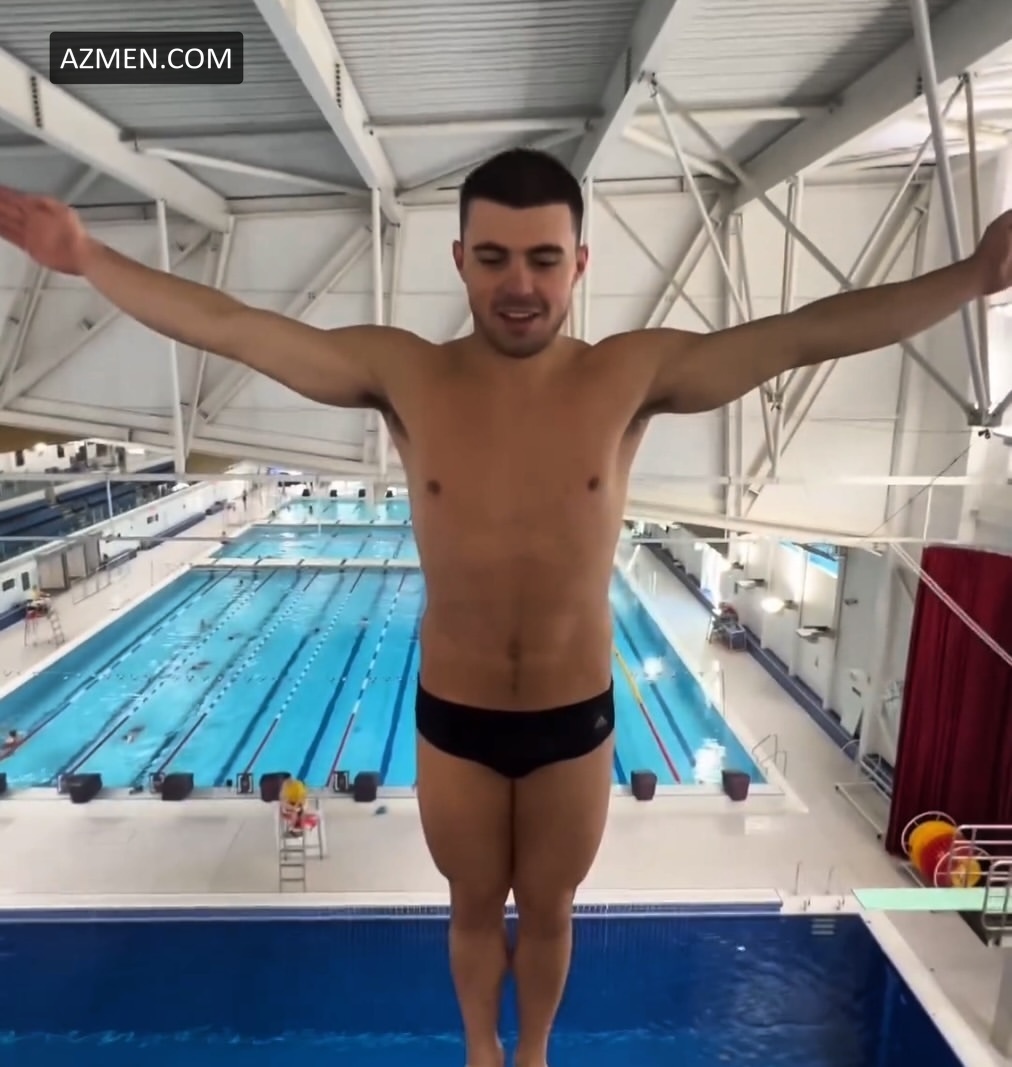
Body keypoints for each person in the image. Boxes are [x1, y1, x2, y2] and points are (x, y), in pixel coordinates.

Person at [1, 151, 1009, 1065]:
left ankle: (532, 1055)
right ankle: (483, 1053)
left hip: (575, 718)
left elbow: (802, 334)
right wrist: (87, 257)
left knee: (553, 908)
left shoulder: (627, 373)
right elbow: (237, 329)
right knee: (473, 905)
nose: (518, 284)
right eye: (492, 258)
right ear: (460, 260)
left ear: (579, 263)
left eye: (542, 259)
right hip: (457, 714)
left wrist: (970, 276)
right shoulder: (407, 373)